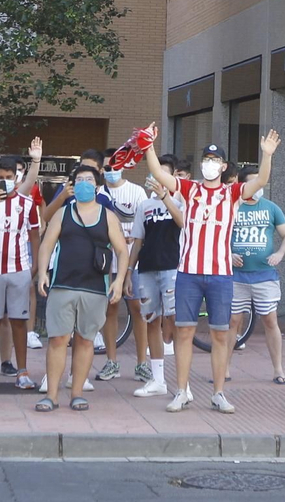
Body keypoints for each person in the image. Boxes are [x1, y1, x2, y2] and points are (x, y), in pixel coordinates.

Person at [144, 130, 277, 415]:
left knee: (220, 334)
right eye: (206, 158)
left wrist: (266, 154)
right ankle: (181, 391)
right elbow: (157, 172)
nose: (210, 163)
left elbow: (262, 180)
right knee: (184, 333)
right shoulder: (189, 188)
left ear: (224, 165)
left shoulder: (232, 193)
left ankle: (218, 393)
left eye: (215, 159)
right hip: (189, 272)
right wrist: (149, 146)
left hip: (220, 274)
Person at [35, 163, 130, 413]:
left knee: (85, 341)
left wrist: (119, 281)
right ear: (72, 186)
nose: (84, 184)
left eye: (89, 180)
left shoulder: (108, 216)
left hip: (95, 287)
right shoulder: (63, 213)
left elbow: (122, 250)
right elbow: (46, 244)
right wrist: (43, 272)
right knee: (57, 339)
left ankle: (77, 393)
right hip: (63, 284)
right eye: (79, 180)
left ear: (97, 187)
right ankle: (52, 395)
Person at [0, 143, 43, 390]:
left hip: (19, 269)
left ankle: (22, 372)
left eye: (8, 178)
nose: (4, 182)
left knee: (19, 321)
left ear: (17, 177)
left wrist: (34, 267)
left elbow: (35, 236)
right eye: (0, 178)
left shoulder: (26, 203)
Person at [229, 164, 285, 384]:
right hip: (235, 275)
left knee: (269, 320)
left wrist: (280, 253)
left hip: (265, 275)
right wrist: (228, 254)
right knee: (233, 320)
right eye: (253, 181)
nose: (258, 186)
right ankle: (224, 368)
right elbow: (216, 235)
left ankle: (278, 369)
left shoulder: (271, 208)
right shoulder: (231, 206)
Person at [128, 171, 184, 399]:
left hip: (173, 267)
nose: (155, 180)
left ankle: (183, 383)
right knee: (151, 320)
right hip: (147, 268)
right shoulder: (144, 205)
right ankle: (157, 379)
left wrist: (165, 198)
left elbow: (183, 223)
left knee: (175, 322)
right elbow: (138, 239)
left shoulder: (181, 202)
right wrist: (128, 272)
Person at [91, 160, 145, 381]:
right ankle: (111, 361)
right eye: (108, 167)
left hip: (133, 261)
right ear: (101, 170)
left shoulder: (137, 191)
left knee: (138, 309)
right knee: (109, 310)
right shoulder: (98, 193)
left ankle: (142, 363)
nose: (112, 171)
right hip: (105, 262)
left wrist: (134, 238)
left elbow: (144, 225)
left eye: (116, 165)